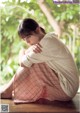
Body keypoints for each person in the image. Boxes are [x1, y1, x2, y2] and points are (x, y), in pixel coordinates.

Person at [0, 18, 79, 103]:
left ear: (37, 29)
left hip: (66, 90)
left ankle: (8, 91)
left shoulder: (46, 43)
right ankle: (9, 89)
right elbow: (25, 59)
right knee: (31, 56)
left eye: (29, 36)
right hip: (68, 87)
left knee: (32, 62)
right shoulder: (48, 39)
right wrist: (25, 53)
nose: (27, 41)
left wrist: (22, 53)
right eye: (24, 39)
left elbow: (23, 63)